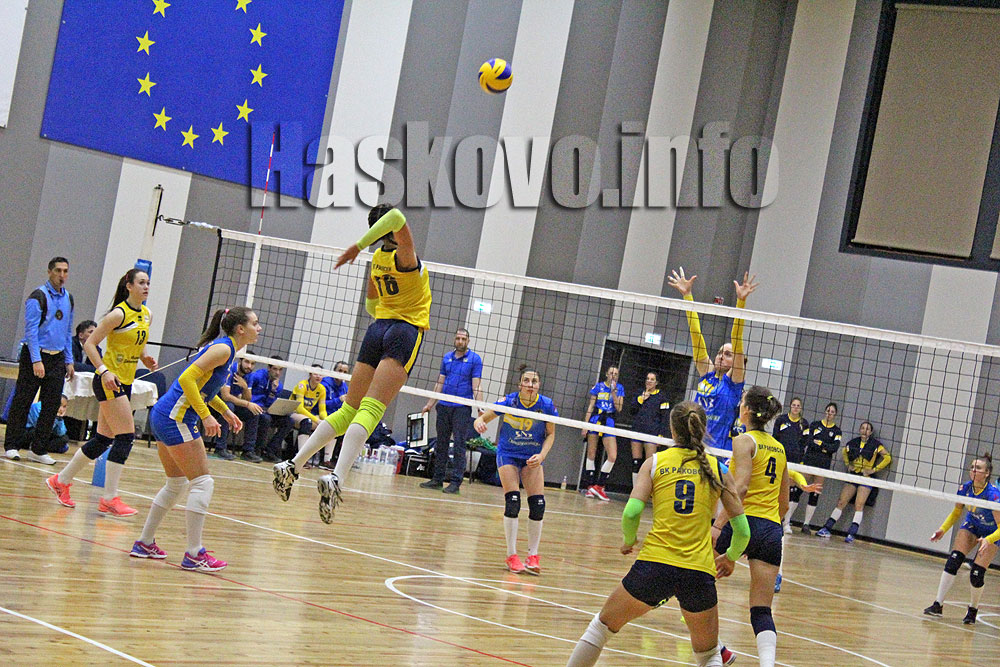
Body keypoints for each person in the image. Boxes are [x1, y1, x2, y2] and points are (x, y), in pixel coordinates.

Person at [272, 204, 431, 524]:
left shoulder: (378, 259)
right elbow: (398, 218)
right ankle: (336, 477)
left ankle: (292, 465)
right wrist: (357, 246)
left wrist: (367, 252)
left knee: (349, 410)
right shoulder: (406, 256)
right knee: (371, 409)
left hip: (377, 329)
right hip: (404, 331)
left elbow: (371, 304)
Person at [566, 401, 749, 667]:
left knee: (601, 628)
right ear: (703, 429)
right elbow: (743, 531)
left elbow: (631, 513)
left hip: (654, 565)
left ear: (672, 431)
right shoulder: (718, 469)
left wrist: (629, 541)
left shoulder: (655, 463)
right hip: (698, 572)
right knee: (709, 654)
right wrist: (730, 557)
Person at [131, 306, 260, 571]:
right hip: (175, 418)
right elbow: (186, 379)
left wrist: (225, 412)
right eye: (255, 323)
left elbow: (204, 389)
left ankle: (144, 542)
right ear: (240, 329)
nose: (259, 328)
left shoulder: (228, 351)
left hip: (166, 415)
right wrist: (206, 416)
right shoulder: (223, 350)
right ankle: (194, 554)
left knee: (176, 484)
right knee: (202, 482)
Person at [46, 269, 157, 515]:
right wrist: (104, 371)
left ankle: (60, 481)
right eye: (141, 282)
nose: (146, 287)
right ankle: (109, 498)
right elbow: (90, 344)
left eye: (148, 283)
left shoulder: (147, 314)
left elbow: (138, 342)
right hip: (108, 381)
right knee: (126, 436)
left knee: (103, 440)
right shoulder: (118, 314)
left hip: (126, 381)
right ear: (129, 286)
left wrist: (145, 358)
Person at [712, 386, 789, 667]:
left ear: (746, 410)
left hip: (741, 522)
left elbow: (741, 487)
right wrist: (767, 530)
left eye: (742, 402)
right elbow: (784, 504)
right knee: (761, 610)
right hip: (770, 529)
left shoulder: (744, 441)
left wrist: (719, 525)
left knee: (696, 582)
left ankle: (718, 649)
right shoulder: (779, 448)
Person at [474, 365, 557, 574]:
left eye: (534, 381)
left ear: (539, 385)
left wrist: (542, 455)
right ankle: (511, 555)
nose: (530, 384)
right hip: (509, 454)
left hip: (532, 457)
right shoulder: (509, 401)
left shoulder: (546, 405)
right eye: (526, 380)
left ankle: (533, 555)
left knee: (538, 505)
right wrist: (479, 422)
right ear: (520, 384)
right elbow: (482, 418)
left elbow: (550, 434)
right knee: (513, 502)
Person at [668, 268, 757, 454]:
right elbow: (696, 335)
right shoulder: (707, 373)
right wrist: (687, 296)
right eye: (719, 352)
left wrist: (741, 301)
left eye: (728, 354)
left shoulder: (733, 382)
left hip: (718, 452)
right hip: (692, 447)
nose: (721, 356)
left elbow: (737, 338)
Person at [5, 257, 75, 464]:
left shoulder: (68, 298)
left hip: (57, 357)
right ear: (49, 272)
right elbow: (31, 331)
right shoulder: (38, 297)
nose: (62, 275)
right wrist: (36, 360)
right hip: (35, 355)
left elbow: (67, 331)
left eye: (65, 271)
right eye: (58, 271)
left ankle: (38, 449)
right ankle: (12, 445)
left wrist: (69, 360)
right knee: (23, 401)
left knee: (51, 404)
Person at [923, 453, 1000, 625]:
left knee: (976, 574)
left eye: (978, 468)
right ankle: (937, 605)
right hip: (972, 525)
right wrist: (943, 529)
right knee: (954, 560)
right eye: (972, 467)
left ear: (987, 473)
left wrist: (989, 539)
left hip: (993, 532)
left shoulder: (993, 495)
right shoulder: (965, 488)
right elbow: (957, 511)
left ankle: (973, 609)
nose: (973, 470)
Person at [420, 328, 484, 494]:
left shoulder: (475, 359)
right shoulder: (447, 357)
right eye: (458, 338)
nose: (460, 341)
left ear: (468, 341)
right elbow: (440, 383)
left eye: (463, 339)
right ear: (454, 340)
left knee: (459, 445)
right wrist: (429, 404)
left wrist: (480, 408)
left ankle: (455, 483)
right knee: (441, 444)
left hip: (461, 408)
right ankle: (437, 479)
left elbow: (476, 386)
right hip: (443, 406)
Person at [816, 421, 891, 543]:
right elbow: (844, 451)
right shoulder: (853, 443)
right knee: (841, 502)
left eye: (867, 429)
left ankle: (851, 534)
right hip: (854, 475)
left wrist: (873, 470)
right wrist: (848, 464)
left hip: (866, 478)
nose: (864, 431)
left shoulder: (876, 445)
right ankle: (826, 528)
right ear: (859, 430)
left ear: (871, 432)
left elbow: (887, 457)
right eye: (863, 428)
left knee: (859, 505)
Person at [580, 365, 624, 501]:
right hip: (596, 420)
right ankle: (590, 487)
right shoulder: (598, 387)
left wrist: (613, 392)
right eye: (611, 373)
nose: (613, 375)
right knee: (591, 454)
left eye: (615, 374)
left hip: (609, 421)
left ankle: (599, 486)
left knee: (612, 455)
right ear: (606, 374)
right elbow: (591, 406)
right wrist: (585, 425)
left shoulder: (619, 388)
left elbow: (619, 408)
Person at [799, 402, 842, 533]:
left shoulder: (837, 431)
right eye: (828, 411)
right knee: (798, 488)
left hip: (823, 465)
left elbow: (834, 448)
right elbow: (809, 441)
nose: (829, 414)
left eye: (832, 412)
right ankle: (786, 521)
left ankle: (806, 524)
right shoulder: (814, 425)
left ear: (835, 414)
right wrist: (824, 448)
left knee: (815, 494)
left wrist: (821, 444)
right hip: (809, 461)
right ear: (825, 411)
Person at [212, 356, 264, 462]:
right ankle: (220, 448)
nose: (249, 366)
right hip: (214, 404)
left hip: (232, 405)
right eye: (247, 362)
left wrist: (245, 387)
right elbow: (225, 396)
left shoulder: (250, 375)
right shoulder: (229, 370)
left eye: (252, 364)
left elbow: (247, 398)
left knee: (254, 412)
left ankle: (248, 451)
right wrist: (247, 404)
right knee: (229, 406)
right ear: (240, 361)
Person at [627, 371, 670, 488]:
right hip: (637, 431)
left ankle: (647, 490)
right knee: (636, 462)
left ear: (656, 382)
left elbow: (665, 417)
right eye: (647, 379)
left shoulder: (662, 397)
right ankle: (635, 489)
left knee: (649, 464)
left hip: (652, 433)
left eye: (652, 379)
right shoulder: (639, 393)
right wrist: (641, 399)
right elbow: (632, 410)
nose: (649, 381)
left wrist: (661, 435)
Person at [773, 397, 809, 534]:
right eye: (793, 405)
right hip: (781, 457)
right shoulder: (781, 420)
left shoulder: (804, 424)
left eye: (798, 405)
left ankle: (786, 523)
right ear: (790, 406)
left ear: (801, 408)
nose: (795, 407)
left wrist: (800, 459)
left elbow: (804, 443)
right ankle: (776, 520)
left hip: (795, 460)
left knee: (791, 490)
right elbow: (775, 438)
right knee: (778, 488)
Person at [247, 358, 286, 462]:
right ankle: (255, 450)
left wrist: (273, 391)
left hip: (266, 410)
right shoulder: (257, 376)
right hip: (254, 407)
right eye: (275, 369)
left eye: (280, 370)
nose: (277, 373)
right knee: (265, 418)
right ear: (269, 368)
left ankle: (269, 450)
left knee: (288, 421)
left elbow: (269, 404)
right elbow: (247, 393)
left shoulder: (278, 385)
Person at [290, 364, 328, 467]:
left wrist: (326, 420)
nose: (318, 376)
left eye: (320, 374)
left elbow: (322, 411)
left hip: (307, 415)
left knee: (327, 426)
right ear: (310, 374)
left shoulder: (322, 389)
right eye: (315, 374)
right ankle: (301, 458)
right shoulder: (302, 385)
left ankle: (322, 458)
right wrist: (316, 419)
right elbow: (299, 408)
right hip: (293, 413)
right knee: (307, 422)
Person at [317, 360, 350, 470]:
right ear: (334, 371)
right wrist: (338, 400)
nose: (342, 374)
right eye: (340, 371)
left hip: (336, 415)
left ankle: (334, 459)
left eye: (345, 372)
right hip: (322, 414)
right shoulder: (325, 384)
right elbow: (320, 405)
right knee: (334, 425)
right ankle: (324, 459)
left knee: (349, 428)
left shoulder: (344, 387)